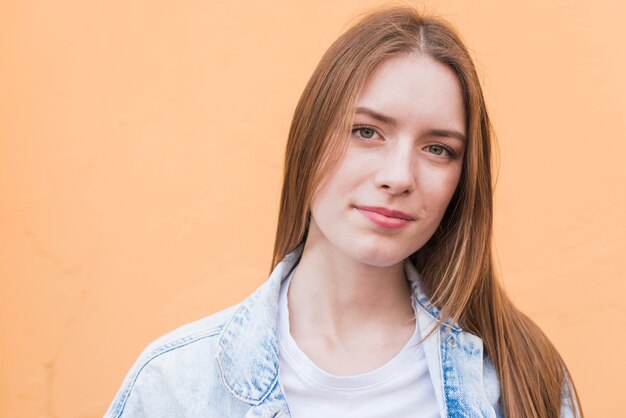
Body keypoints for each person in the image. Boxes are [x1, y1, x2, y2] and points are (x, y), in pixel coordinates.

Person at [105, 6, 582, 418]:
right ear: (310, 140)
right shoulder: (176, 385)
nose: (399, 176)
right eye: (367, 132)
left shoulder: (520, 376)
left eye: (438, 149)